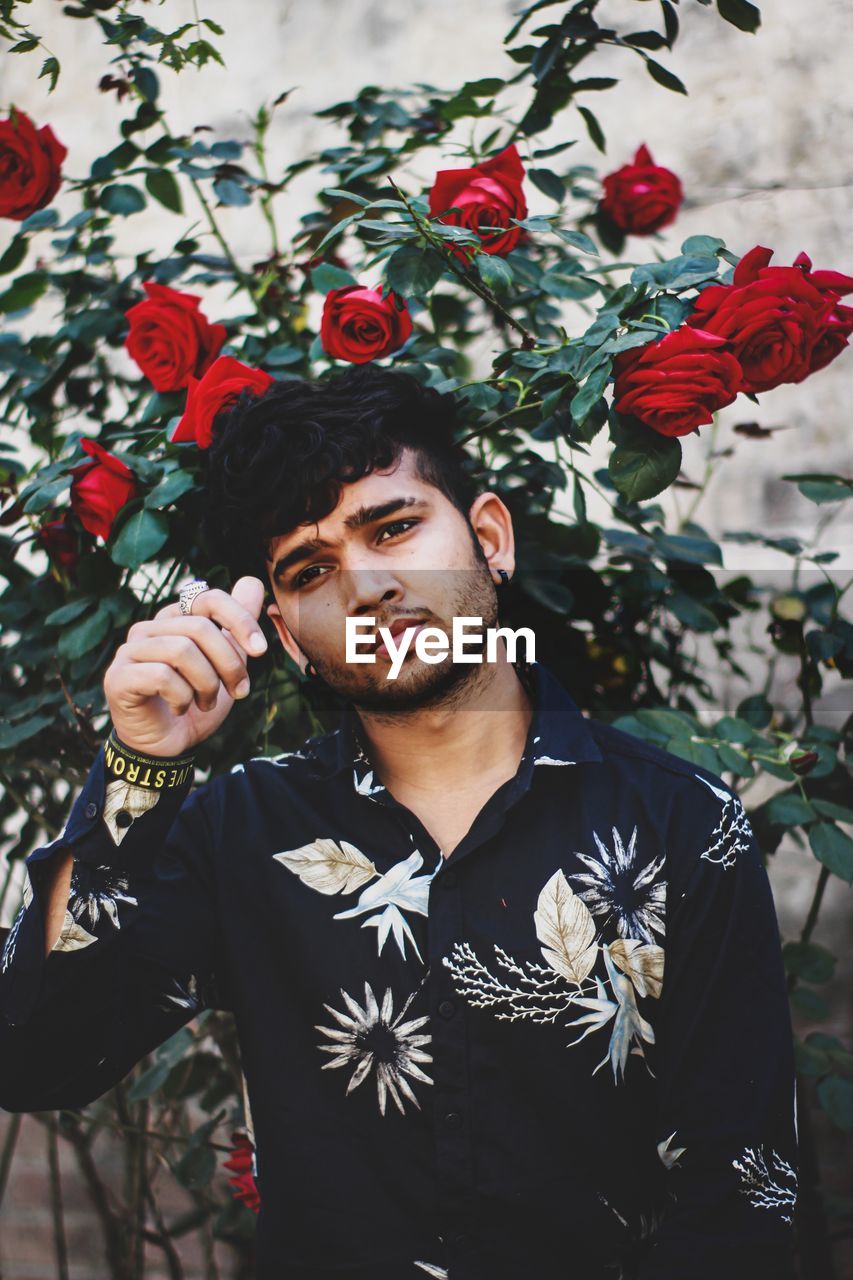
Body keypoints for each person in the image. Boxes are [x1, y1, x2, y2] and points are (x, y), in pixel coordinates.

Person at [0, 366, 798, 1279]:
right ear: (290, 637)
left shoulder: (680, 823)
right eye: (311, 569)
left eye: (394, 526)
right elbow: (35, 1061)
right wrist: (139, 766)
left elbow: (739, 1197)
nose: (368, 585)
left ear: (488, 538)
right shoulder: (240, 832)